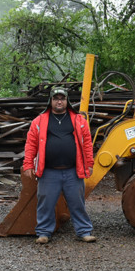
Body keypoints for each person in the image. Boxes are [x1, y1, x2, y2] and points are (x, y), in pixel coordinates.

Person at [23, 87, 96, 244]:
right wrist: (28, 164)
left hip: (73, 171)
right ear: (51, 101)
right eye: (56, 98)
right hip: (49, 171)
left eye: (62, 98)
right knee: (45, 203)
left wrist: (89, 163)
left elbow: (87, 144)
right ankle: (43, 233)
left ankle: (83, 231)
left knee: (77, 203)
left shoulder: (78, 120)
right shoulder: (39, 121)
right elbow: (31, 144)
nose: (59, 101)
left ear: (67, 101)